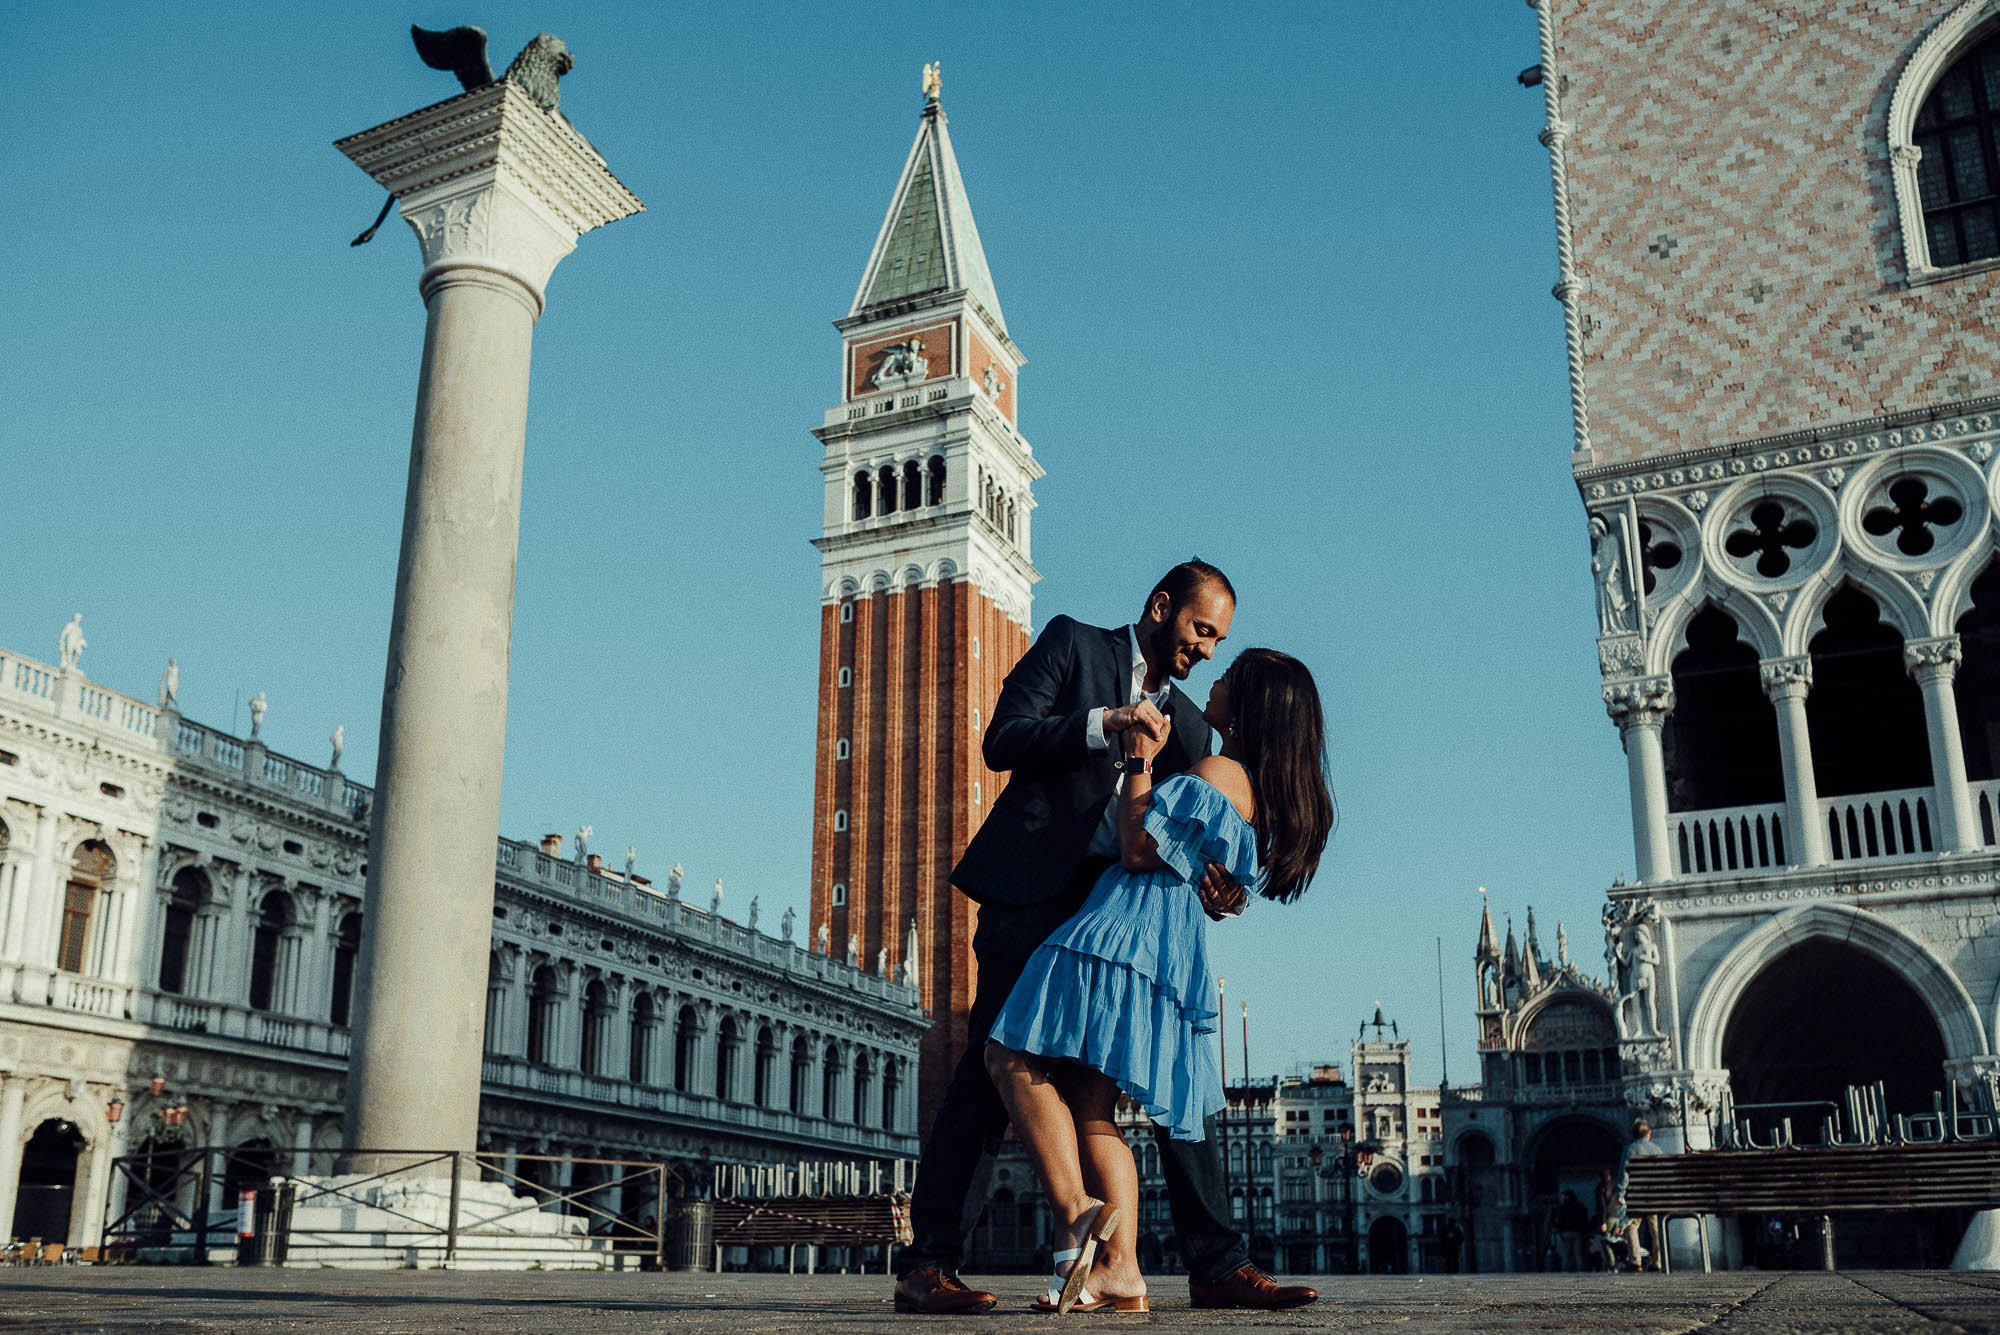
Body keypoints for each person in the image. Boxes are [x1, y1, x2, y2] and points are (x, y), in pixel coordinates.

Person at [893, 560, 1318, 1316]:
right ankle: (930, 1264)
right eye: (1200, 629)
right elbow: (1002, 739)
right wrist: (1105, 725)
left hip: (1117, 918)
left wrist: (1224, 892)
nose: (1206, 651)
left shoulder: (1192, 726)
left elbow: (1195, 828)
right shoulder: (1074, 645)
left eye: (1220, 640)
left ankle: (1215, 1262)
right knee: (985, 1077)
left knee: (1164, 1082)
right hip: (1031, 900)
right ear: (1162, 607)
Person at [984, 646, 1334, 1312]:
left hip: (1120, 927)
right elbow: (1210, 877)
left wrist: (1141, 756)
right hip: (1168, 944)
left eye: (1231, 675)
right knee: (1093, 1109)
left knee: (1005, 1053)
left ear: (1254, 703)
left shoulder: (1219, 768)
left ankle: (1076, 1206)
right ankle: (1121, 1270)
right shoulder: (1250, 784)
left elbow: (1140, 847)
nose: (1216, 675)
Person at [1617, 1118, 1666, 1270]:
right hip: (1655, 1198)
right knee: (1655, 1228)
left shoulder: (1629, 1150)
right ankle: (1657, 1262)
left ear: (1634, 1134)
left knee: (1631, 1226)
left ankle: (1635, 1260)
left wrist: (1621, 1192)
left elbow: (1624, 1176)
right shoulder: (1657, 1150)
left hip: (1636, 1197)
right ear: (1648, 1134)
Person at [1554, 1189, 1588, 1272]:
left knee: (1566, 1253)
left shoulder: (1563, 1208)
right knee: (1578, 1253)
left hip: (1567, 1232)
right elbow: (1584, 1219)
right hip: (1577, 1232)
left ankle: (1565, 1270)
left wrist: (1560, 1230)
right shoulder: (1579, 1206)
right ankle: (1580, 1270)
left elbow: (1559, 1221)